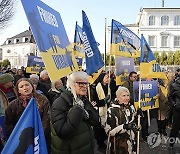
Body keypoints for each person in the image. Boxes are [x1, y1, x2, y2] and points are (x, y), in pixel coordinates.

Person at [51, 71, 99, 154]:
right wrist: (77, 110)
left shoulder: (84, 100)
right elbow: (62, 132)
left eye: (86, 83)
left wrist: (86, 114)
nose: (84, 86)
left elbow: (96, 120)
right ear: (71, 84)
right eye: (80, 83)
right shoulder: (59, 103)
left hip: (86, 148)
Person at [4, 78, 51, 151]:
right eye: (21, 86)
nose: (25, 88)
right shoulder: (13, 105)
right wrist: (18, 138)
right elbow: (9, 124)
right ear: (18, 90)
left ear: (32, 87)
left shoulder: (42, 100)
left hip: (40, 138)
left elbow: (46, 120)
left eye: (27, 85)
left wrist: (37, 135)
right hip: (21, 141)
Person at [105, 86, 138, 154]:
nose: (126, 98)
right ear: (118, 97)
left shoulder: (131, 107)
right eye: (124, 96)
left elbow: (133, 122)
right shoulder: (112, 110)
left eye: (128, 95)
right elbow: (109, 132)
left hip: (132, 143)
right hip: (119, 146)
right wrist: (124, 127)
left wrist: (138, 115)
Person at [168, 75, 180, 148]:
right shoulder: (174, 85)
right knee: (175, 127)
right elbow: (170, 97)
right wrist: (174, 104)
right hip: (178, 109)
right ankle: (171, 143)